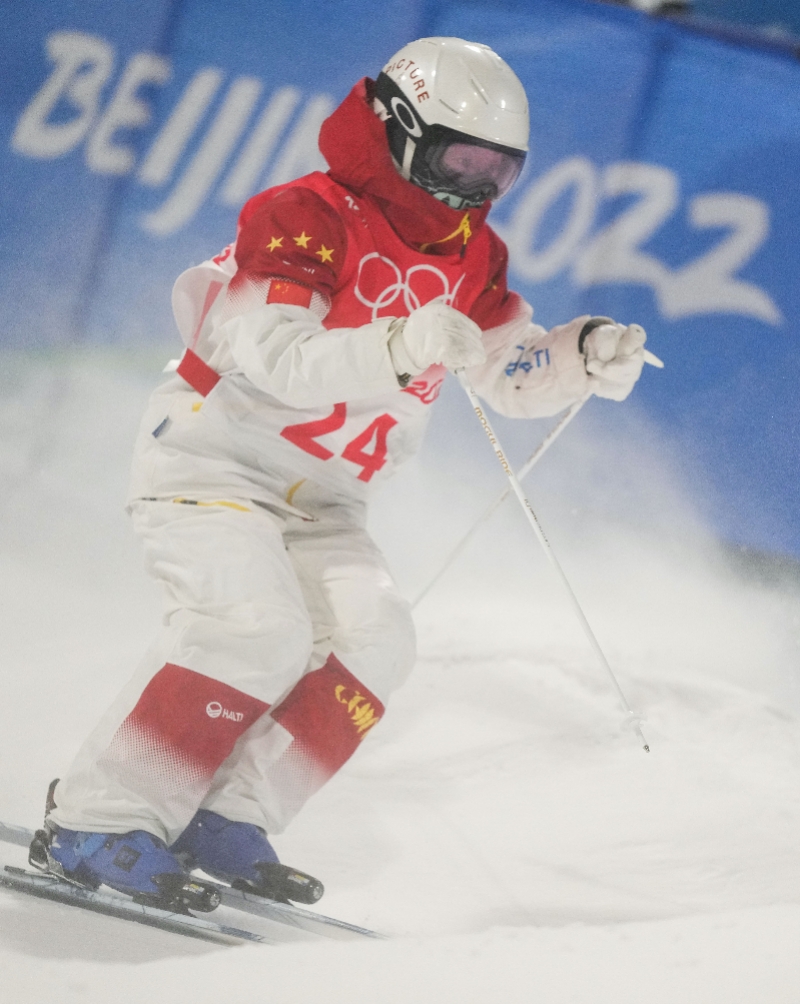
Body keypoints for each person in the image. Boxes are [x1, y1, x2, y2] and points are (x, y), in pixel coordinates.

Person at [37, 37, 646, 908]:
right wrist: (401, 344)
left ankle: (226, 811)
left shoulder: (473, 253)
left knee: (378, 640)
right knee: (254, 628)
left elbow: (506, 375)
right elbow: (275, 357)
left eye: (498, 172)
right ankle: (100, 819)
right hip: (215, 461)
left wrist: (580, 357)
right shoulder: (304, 215)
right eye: (459, 160)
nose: (474, 188)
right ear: (400, 130)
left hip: (325, 498)